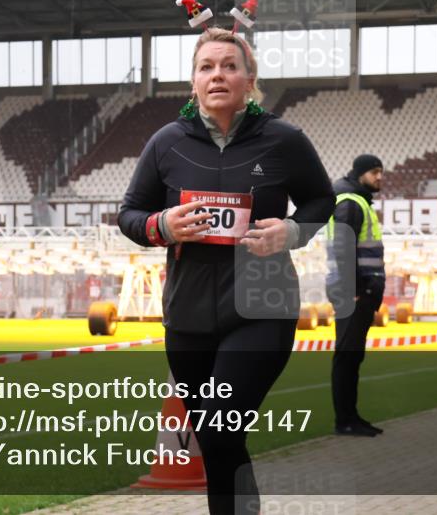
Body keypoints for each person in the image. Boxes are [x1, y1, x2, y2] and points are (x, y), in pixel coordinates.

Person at [117, 27, 335, 515]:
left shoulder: (284, 139)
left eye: (229, 65)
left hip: (262, 307)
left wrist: (292, 232)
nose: (218, 74)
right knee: (217, 443)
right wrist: (162, 225)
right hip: (188, 316)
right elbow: (129, 215)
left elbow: (322, 199)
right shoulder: (166, 143)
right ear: (192, 82)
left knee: (219, 428)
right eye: (206, 67)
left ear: (250, 78)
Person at [326, 154, 386, 436]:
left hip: (357, 292)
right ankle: (345, 420)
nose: (379, 177)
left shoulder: (355, 199)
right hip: (353, 293)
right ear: (360, 173)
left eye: (381, 172)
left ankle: (351, 416)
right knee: (347, 356)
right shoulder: (350, 201)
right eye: (375, 172)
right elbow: (343, 248)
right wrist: (356, 291)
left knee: (352, 356)